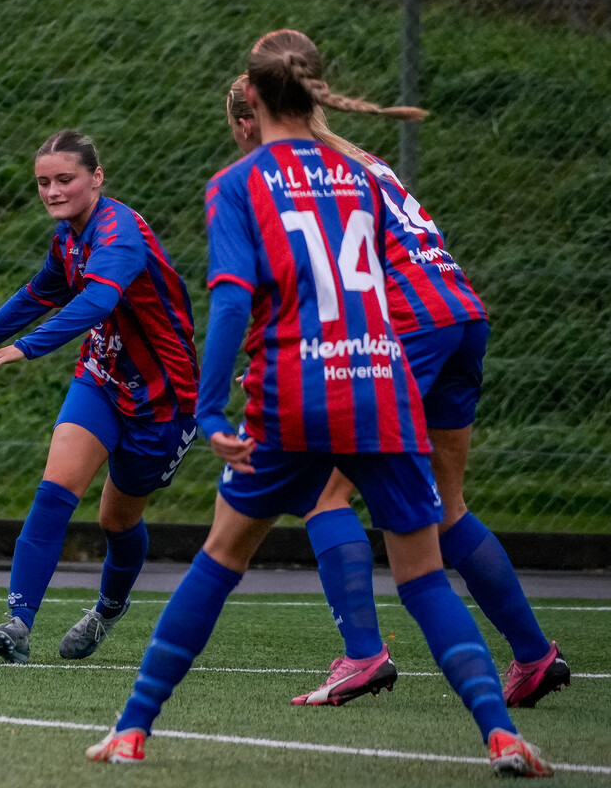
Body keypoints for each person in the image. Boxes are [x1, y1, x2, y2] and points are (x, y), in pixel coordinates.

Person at [86, 30, 551, 777]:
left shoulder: (237, 183)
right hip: (381, 384)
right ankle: (501, 736)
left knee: (221, 556)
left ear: (252, 98)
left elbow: (231, 301)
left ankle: (133, 729)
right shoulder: (362, 174)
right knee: (424, 574)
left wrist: (209, 409)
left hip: (296, 393)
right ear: (315, 89)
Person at [226, 74, 569, 709]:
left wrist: (278, 357)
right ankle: (534, 656)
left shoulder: (296, 176)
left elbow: (323, 277)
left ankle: (363, 655)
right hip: (459, 312)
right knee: (446, 505)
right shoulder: (360, 159)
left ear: (251, 123)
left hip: (406, 323)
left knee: (325, 491)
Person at [0, 129, 199, 664]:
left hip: (163, 400)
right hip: (99, 379)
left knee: (117, 522)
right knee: (54, 493)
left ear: (97, 178)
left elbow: (96, 302)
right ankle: (18, 623)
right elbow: (36, 295)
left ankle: (108, 609)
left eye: (65, 179)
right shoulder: (68, 238)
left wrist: (24, 349)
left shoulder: (119, 233)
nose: (52, 191)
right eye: (43, 182)